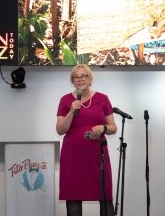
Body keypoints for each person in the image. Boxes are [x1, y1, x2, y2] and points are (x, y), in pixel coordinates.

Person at [56, 64, 117, 216]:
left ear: (90, 79)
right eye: (76, 77)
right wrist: (72, 110)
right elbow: (60, 130)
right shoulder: (65, 100)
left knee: (104, 196)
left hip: (97, 156)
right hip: (73, 156)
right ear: (73, 81)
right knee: (74, 198)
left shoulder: (102, 98)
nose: (80, 79)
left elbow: (113, 127)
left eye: (83, 76)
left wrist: (103, 128)